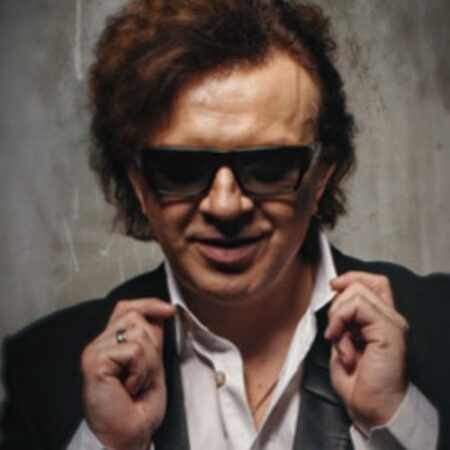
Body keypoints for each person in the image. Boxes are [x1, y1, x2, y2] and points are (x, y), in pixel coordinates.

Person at [1, 0, 449, 449]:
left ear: (321, 177)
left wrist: (398, 422)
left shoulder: (441, 328)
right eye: (180, 169)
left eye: (269, 165)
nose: (225, 206)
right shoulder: (43, 372)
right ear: (139, 184)